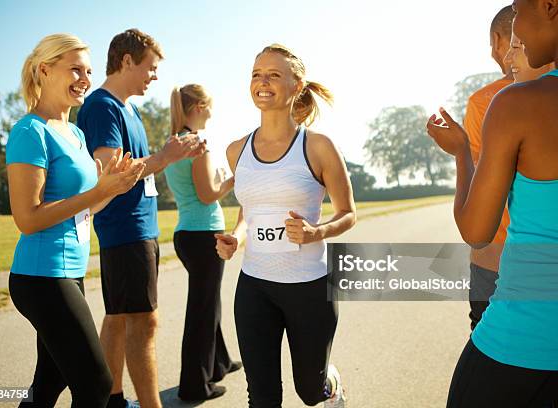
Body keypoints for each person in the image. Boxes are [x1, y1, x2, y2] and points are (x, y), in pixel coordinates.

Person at [427, 0, 558, 405]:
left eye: (519, 9)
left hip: (522, 345)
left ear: (550, 6)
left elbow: (475, 231)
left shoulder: (517, 103)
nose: (515, 42)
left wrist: (461, 153)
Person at [7, 33, 145, 407]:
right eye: (74, 69)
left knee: (48, 383)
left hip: (71, 271)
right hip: (41, 276)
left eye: (88, 70)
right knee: (97, 385)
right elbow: (28, 218)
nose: (85, 78)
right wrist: (99, 191)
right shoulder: (29, 132)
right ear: (44, 70)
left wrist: (112, 188)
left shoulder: (78, 133)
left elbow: (84, 208)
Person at [215, 44, 356, 408]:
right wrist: (236, 236)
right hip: (254, 286)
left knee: (309, 391)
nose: (262, 82)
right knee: (261, 396)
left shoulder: (319, 146)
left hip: (308, 286)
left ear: (297, 85)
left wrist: (316, 231)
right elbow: (250, 210)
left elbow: (348, 213)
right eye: (256, 74)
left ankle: (330, 386)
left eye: (274, 75)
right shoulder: (236, 150)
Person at [77, 29, 204, 408]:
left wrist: (169, 157)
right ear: (127, 60)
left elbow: (138, 169)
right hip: (124, 228)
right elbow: (108, 176)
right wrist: (165, 157)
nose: (155, 76)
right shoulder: (102, 106)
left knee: (118, 318)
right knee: (144, 323)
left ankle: (112, 400)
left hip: (139, 227)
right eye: (150, 68)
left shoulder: (128, 108)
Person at [163, 84, 240, 401]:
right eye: (209, 106)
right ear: (197, 107)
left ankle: (218, 362)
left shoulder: (174, 143)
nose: (212, 112)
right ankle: (195, 384)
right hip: (203, 235)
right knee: (203, 309)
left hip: (187, 234)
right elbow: (208, 194)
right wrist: (232, 179)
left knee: (208, 303)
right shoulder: (196, 145)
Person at [463, 5, 514, 330]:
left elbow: (477, 185)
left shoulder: (485, 101)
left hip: (494, 258)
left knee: (486, 340)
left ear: (498, 41)